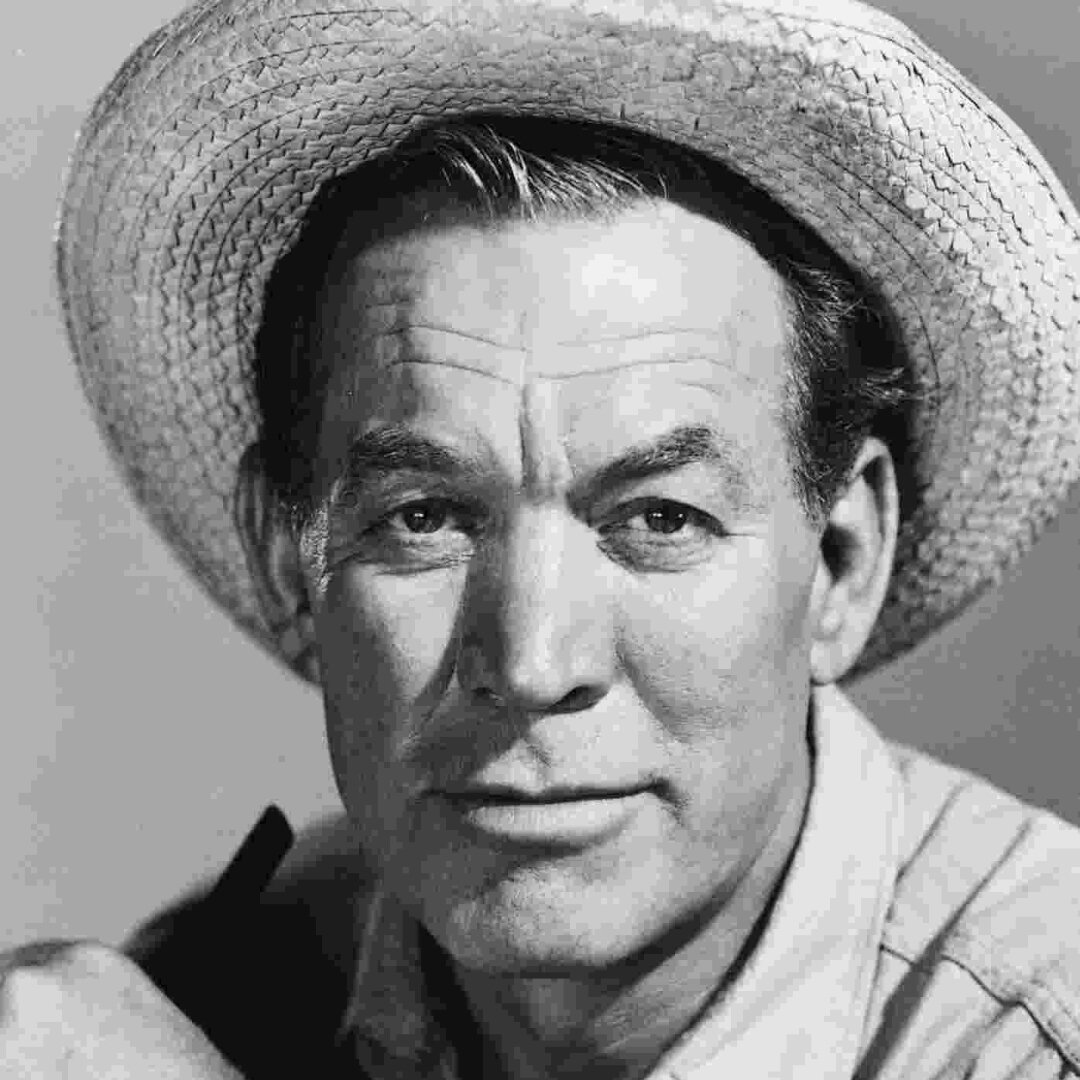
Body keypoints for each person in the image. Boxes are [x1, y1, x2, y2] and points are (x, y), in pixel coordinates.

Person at [6, 0, 1080, 1076]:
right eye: (423, 517)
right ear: (292, 562)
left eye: (660, 519)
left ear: (841, 564)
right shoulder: (246, 971)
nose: (531, 664)